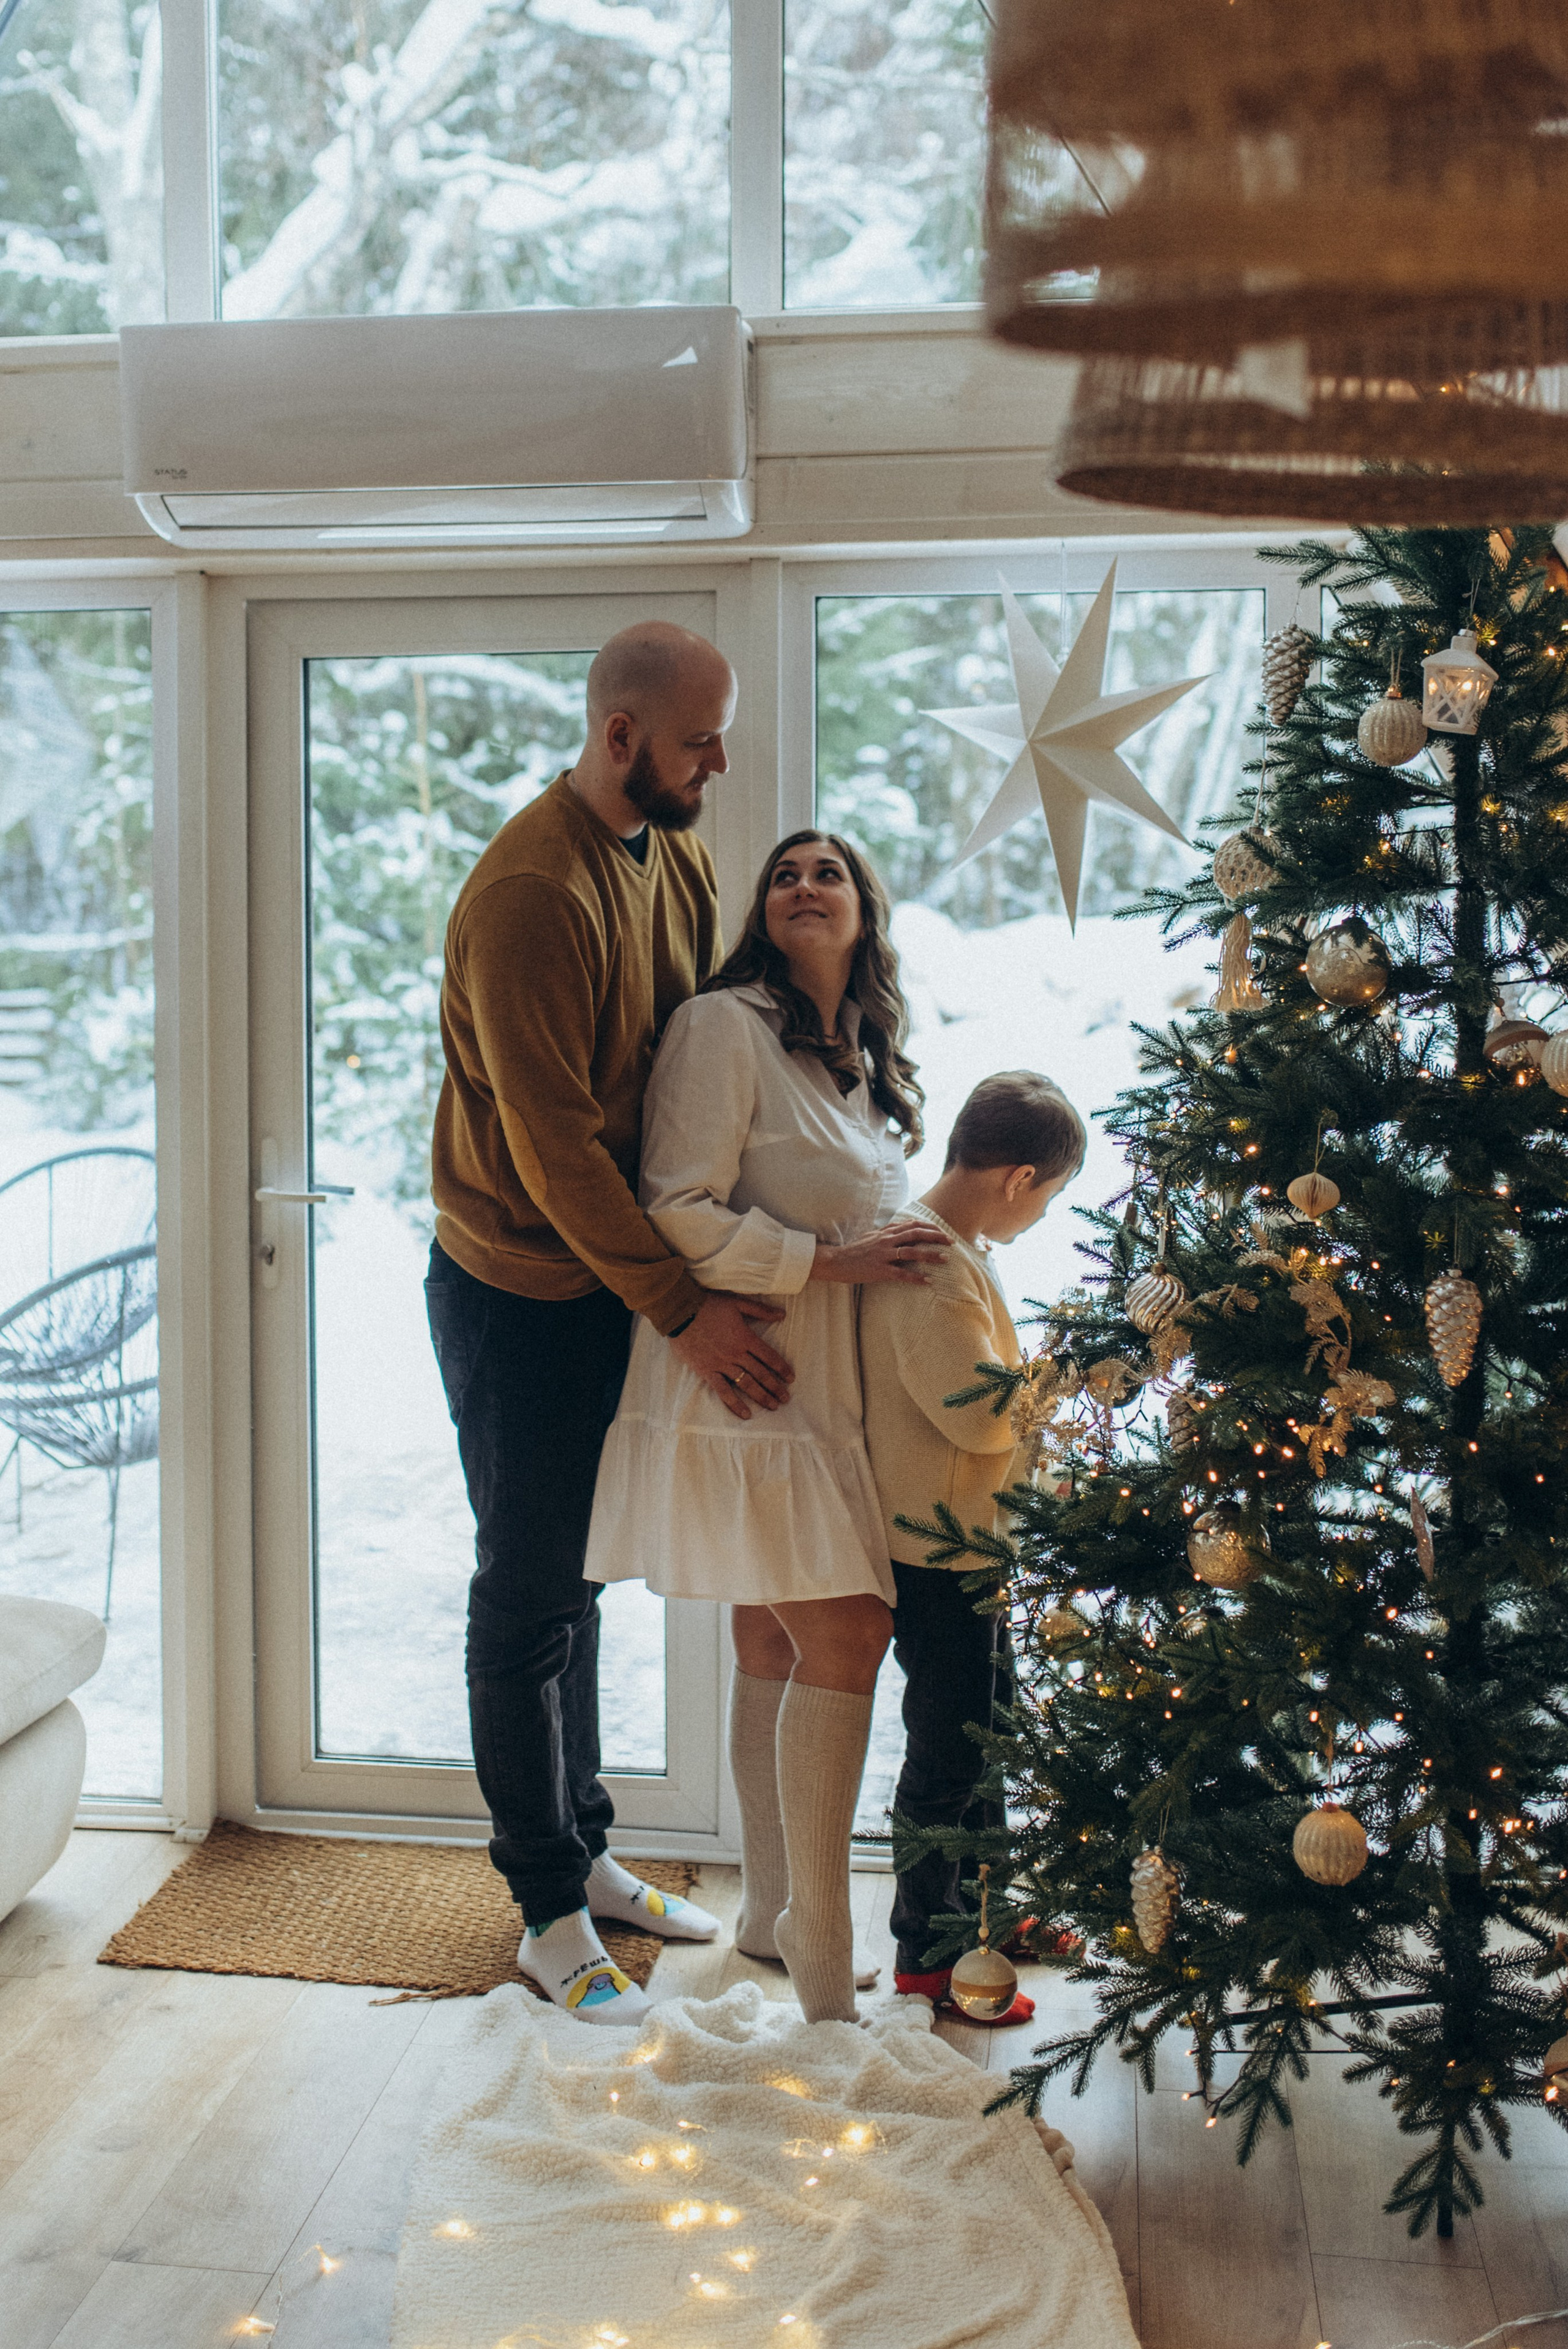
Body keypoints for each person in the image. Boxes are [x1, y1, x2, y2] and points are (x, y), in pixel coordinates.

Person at [428, 621, 801, 2029]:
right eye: (700, 737)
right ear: (621, 733)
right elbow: (556, 1153)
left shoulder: (677, 848)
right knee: (523, 1596)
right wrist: (688, 1308)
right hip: (517, 1289)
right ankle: (541, 1904)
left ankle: (587, 1851)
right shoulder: (530, 895)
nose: (719, 761)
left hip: (612, 1278)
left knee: (579, 1582)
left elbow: (685, 1051)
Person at [585, 830, 949, 2024]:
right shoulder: (721, 1026)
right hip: (745, 1386)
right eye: (783, 871)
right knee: (848, 1634)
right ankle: (817, 1933)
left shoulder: (858, 1056)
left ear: (863, 912)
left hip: (827, 1401)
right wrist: (828, 1263)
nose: (802, 884)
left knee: (775, 1638)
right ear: (761, 907)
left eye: (828, 872)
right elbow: (670, 1206)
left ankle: (764, 1909)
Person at [858, 1070, 1087, 2016]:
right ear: (1020, 1177)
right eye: (1050, 1199)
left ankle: (988, 1917)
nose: (1039, 1216)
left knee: (990, 1737)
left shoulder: (959, 1245)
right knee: (949, 1754)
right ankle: (930, 1952)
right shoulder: (933, 1267)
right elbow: (979, 1417)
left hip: (973, 1545)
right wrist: (1069, 1370)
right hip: (938, 1551)